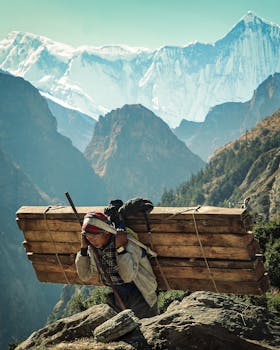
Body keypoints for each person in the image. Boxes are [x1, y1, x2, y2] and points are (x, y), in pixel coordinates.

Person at [75, 211, 158, 318]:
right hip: (116, 296)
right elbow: (84, 276)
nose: (91, 241)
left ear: (106, 232)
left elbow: (128, 277)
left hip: (140, 295)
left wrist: (120, 249)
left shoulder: (128, 244)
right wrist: (83, 249)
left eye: (94, 237)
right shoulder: (93, 249)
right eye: (88, 238)